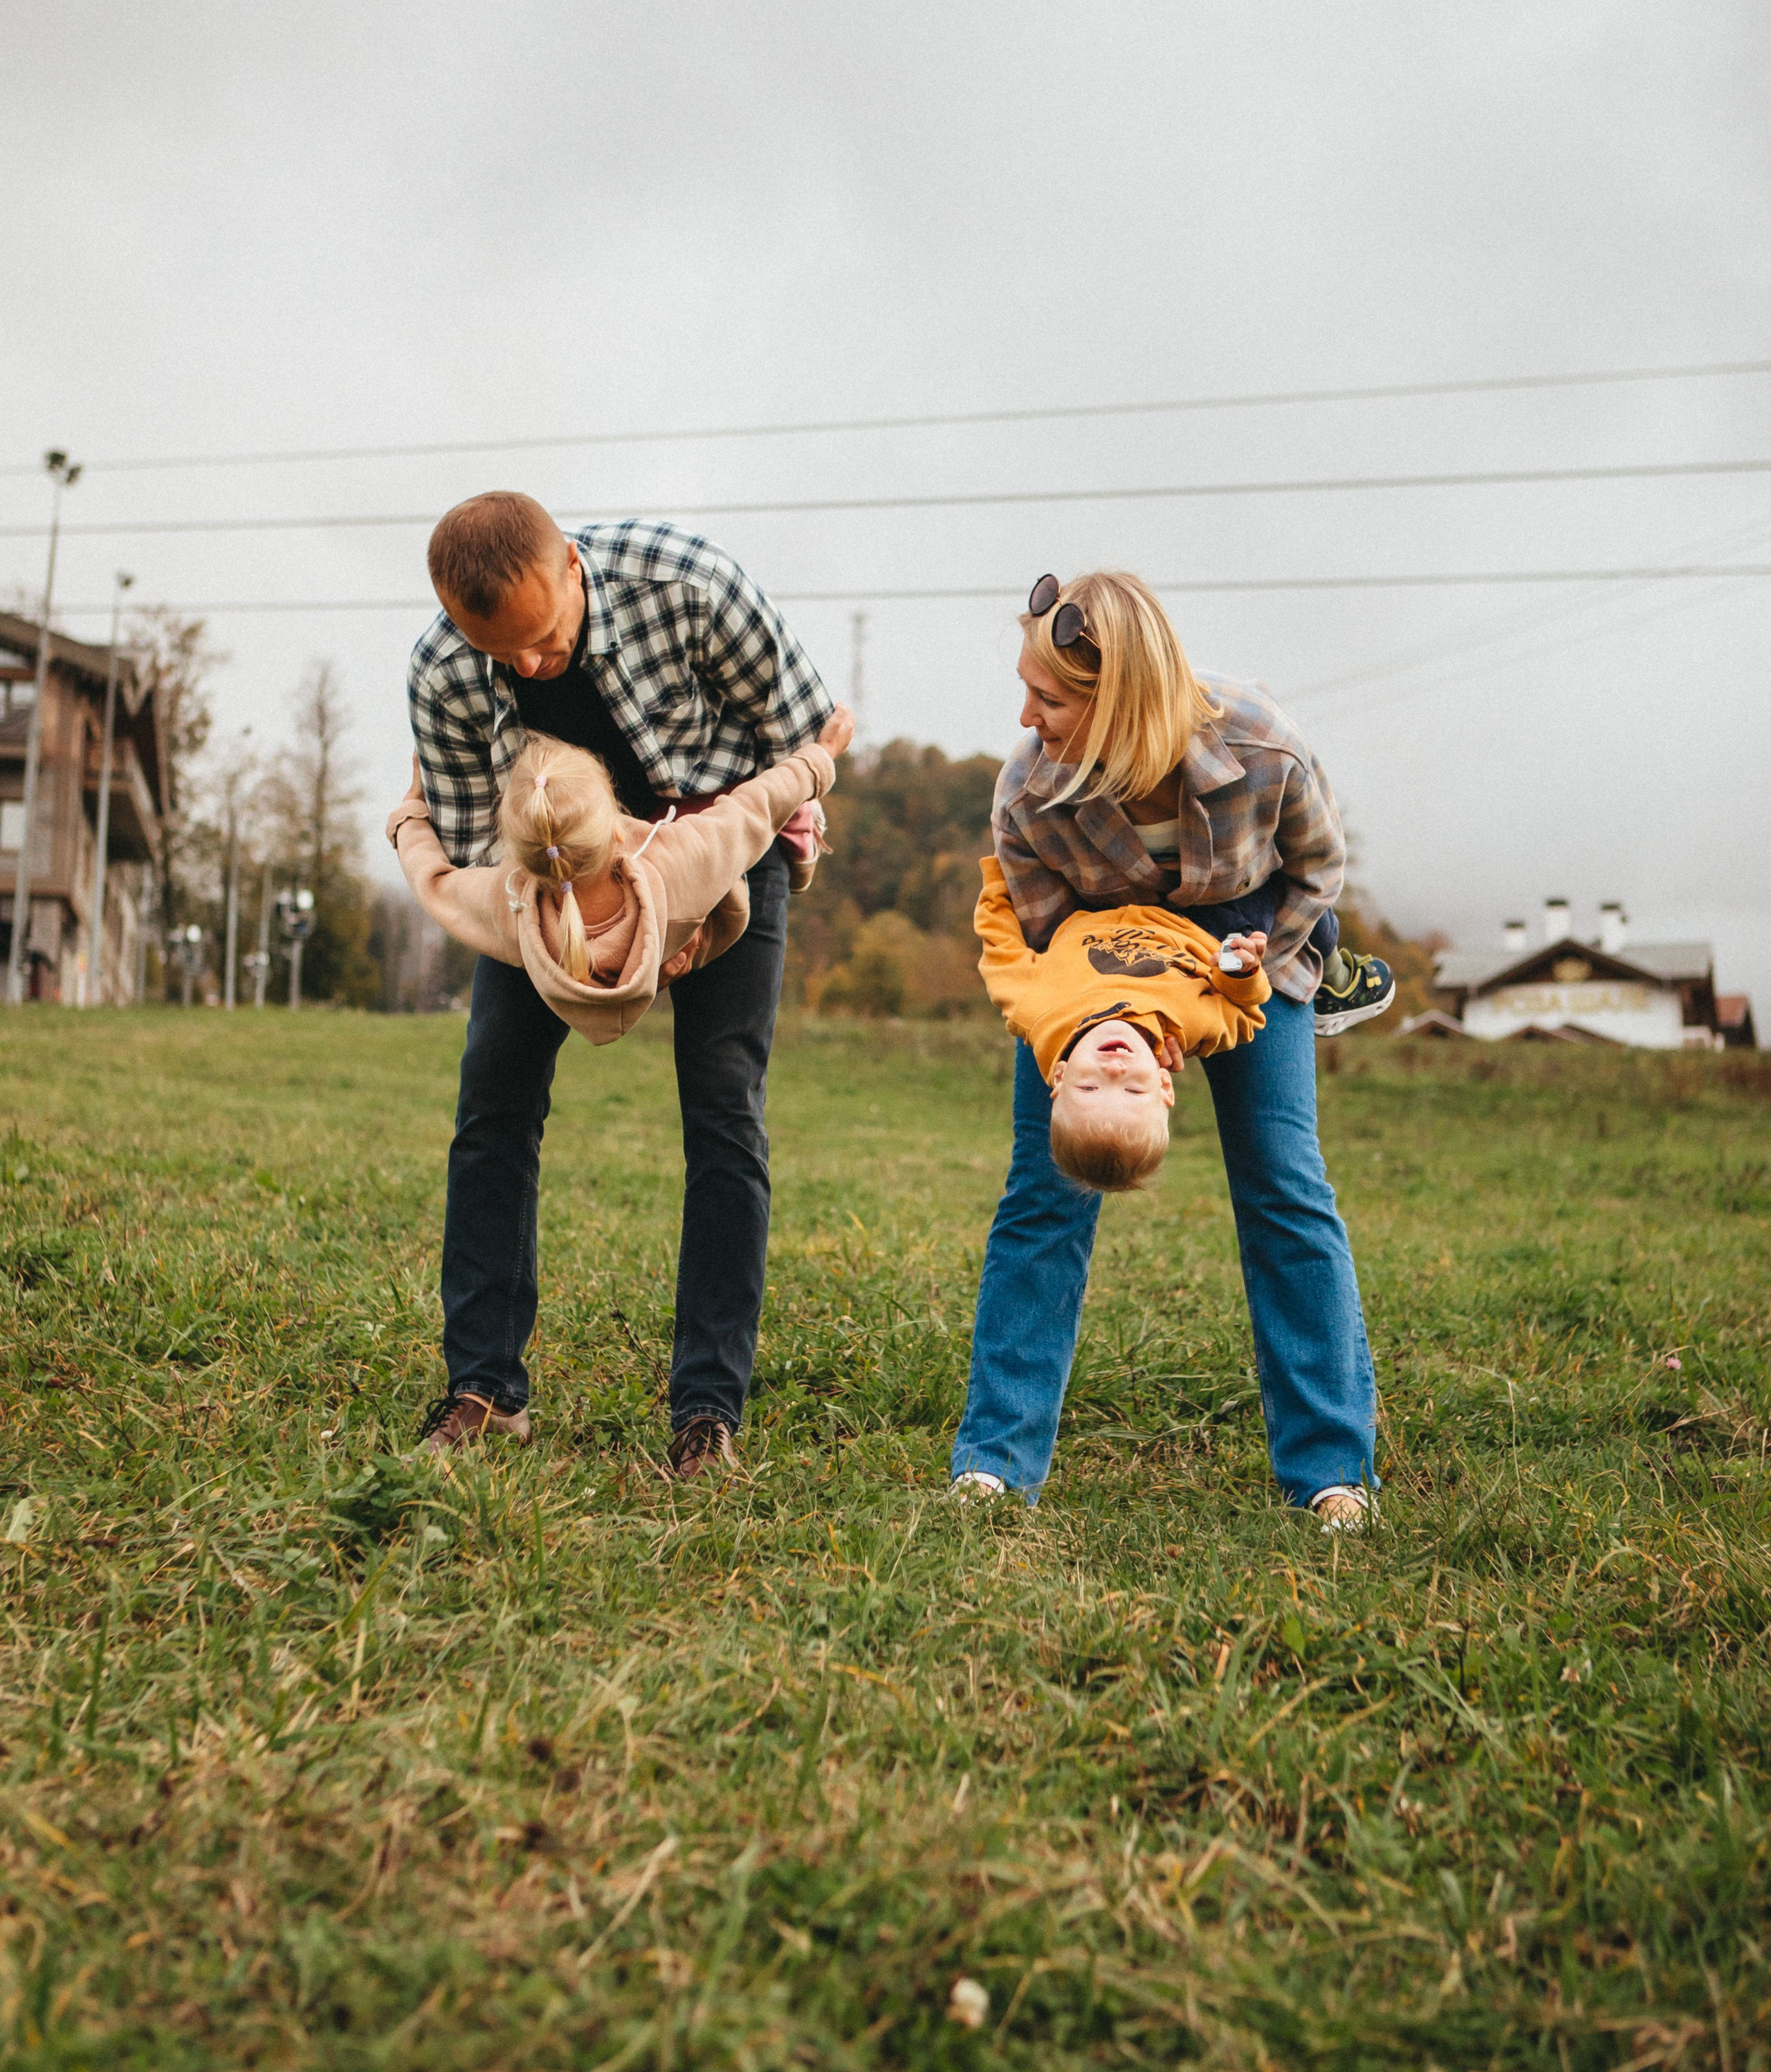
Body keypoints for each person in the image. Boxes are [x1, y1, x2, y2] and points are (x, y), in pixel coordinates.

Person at [405, 492, 834, 1476]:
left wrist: (679, 911)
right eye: (498, 652)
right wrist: (593, 934)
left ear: (570, 566)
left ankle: (707, 1412)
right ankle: (485, 1386)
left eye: (545, 641)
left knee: (724, 1106)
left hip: (720, 847)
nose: (526, 667)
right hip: (552, 877)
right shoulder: (441, 671)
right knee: (493, 1096)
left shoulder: (688, 584)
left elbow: (804, 736)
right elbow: (477, 848)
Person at [951, 569, 1379, 1530]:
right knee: (1043, 1189)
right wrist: (1114, 1028)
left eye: (1051, 698)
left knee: (1283, 1181)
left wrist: (1255, 973)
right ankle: (996, 1463)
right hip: (1093, 962)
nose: (1029, 716)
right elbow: (1038, 931)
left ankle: (1330, 1471)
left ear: (1121, 702)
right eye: (1028, 689)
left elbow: (1317, 868)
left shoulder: (1260, 741)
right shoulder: (1028, 790)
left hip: (1249, 948)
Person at [387, 724, 845, 1047]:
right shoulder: (676, 864)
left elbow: (436, 884)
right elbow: (753, 809)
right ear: (616, 830)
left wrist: (409, 817)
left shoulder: (511, 907)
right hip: (690, 931)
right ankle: (803, 834)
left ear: (523, 855)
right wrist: (818, 759)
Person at [973, 851, 1271, 1189]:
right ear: (1163, 1085)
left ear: (1060, 1076)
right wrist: (1240, 973)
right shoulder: (1190, 1024)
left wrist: (1001, 875)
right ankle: (1327, 952)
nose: (1114, 1071)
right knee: (1262, 898)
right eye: (1132, 1089)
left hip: (1093, 895)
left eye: (1089, 1087)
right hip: (1200, 916)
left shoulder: (1037, 1012)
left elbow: (1001, 950)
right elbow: (1247, 1016)